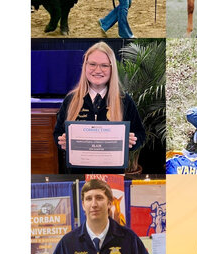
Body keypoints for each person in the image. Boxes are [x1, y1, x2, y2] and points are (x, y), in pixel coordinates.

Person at [53, 41, 146, 174]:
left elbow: (141, 134)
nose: (98, 70)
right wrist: (61, 141)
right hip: (78, 176)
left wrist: (133, 141)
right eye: (92, 64)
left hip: (113, 178)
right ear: (85, 66)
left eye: (104, 65)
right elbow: (57, 133)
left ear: (111, 68)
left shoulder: (124, 100)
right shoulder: (70, 100)